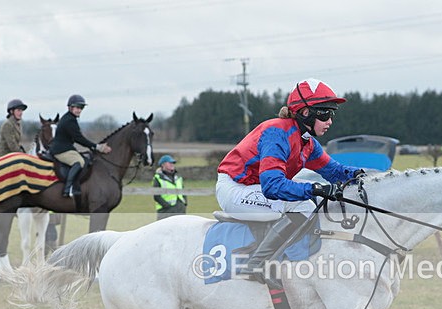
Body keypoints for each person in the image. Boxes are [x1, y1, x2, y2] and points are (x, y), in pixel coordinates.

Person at [216, 78, 364, 286]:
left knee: (306, 203)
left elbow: (334, 171)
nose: (330, 121)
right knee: (302, 204)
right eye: (325, 113)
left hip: (254, 188)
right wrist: (314, 189)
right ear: (305, 113)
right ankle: (256, 263)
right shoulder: (277, 132)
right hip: (236, 188)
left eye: (333, 114)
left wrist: (360, 175)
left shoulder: (308, 143)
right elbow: (272, 186)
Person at [50, 94, 112, 198]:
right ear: (70, 107)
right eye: (77, 107)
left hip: (66, 148)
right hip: (61, 150)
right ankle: (68, 188)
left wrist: (93, 147)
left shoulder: (70, 118)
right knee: (79, 162)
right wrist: (97, 147)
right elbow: (79, 138)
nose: (79, 110)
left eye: (81, 108)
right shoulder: (69, 120)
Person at [152, 155, 187, 219]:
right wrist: (167, 205)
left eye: (173, 163)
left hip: (180, 209)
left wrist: (184, 203)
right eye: (170, 163)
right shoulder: (158, 178)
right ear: (163, 165)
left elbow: (183, 191)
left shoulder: (178, 177)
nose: (172, 164)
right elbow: (156, 196)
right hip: (165, 211)